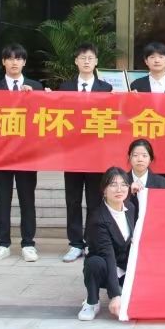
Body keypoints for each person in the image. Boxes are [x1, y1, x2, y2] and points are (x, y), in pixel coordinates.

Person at [0, 43, 44, 263]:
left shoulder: (35, 87)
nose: (14, 62)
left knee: (27, 200)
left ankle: (28, 243)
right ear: (3, 62)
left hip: (26, 155)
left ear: (24, 62)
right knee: (2, 201)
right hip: (1, 155)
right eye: (9, 58)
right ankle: (2, 244)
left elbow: (45, 120)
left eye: (18, 58)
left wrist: (35, 98)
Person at [59, 42, 114, 263]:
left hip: (96, 155)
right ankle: (75, 244)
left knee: (94, 201)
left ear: (96, 61)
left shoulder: (106, 89)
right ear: (76, 61)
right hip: (72, 153)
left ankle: (92, 242)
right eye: (82, 58)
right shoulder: (65, 88)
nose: (86, 61)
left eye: (90, 58)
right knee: (72, 200)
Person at [77, 167, 135, 321]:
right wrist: (115, 295)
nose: (119, 189)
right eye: (113, 185)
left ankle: (121, 287)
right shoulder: (97, 218)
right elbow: (107, 254)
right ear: (104, 189)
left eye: (123, 184)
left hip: (123, 265)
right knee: (94, 263)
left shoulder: (130, 208)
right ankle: (92, 301)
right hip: (104, 265)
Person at [129, 41, 165, 187]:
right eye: (152, 57)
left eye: (161, 57)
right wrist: (129, 99)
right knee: (143, 177)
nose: (156, 60)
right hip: (144, 139)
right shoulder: (137, 85)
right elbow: (129, 113)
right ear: (146, 61)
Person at [126, 138, 165, 219]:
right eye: (135, 155)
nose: (140, 159)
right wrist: (128, 192)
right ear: (129, 157)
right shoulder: (121, 181)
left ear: (150, 159)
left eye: (144, 156)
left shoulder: (162, 182)